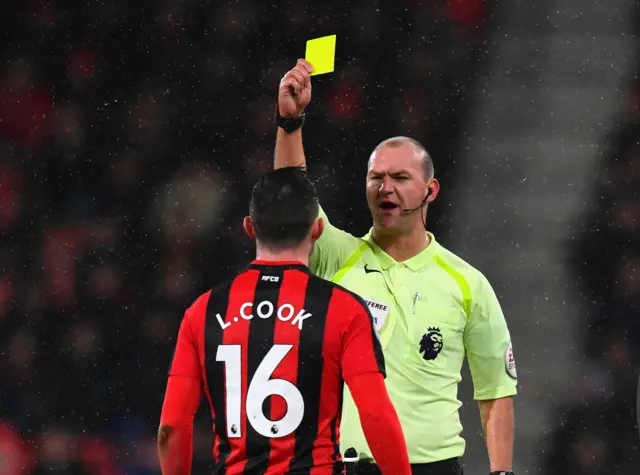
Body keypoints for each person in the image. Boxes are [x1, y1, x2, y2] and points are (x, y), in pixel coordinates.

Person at [273, 59, 519, 475]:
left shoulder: (467, 284)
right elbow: (289, 196)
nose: (385, 187)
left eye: (400, 177)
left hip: (432, 467)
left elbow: (495, 392)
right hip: (345, 467)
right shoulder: (337, 255)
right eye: (376, 177)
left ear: (430, 190)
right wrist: (290, 122)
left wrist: (501, 472)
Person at [157, 167, 412, 475]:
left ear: (250, 228)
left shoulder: (203, 311)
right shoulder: (343, 310)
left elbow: (171, 427)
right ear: (317, 229)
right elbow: (376, 414)